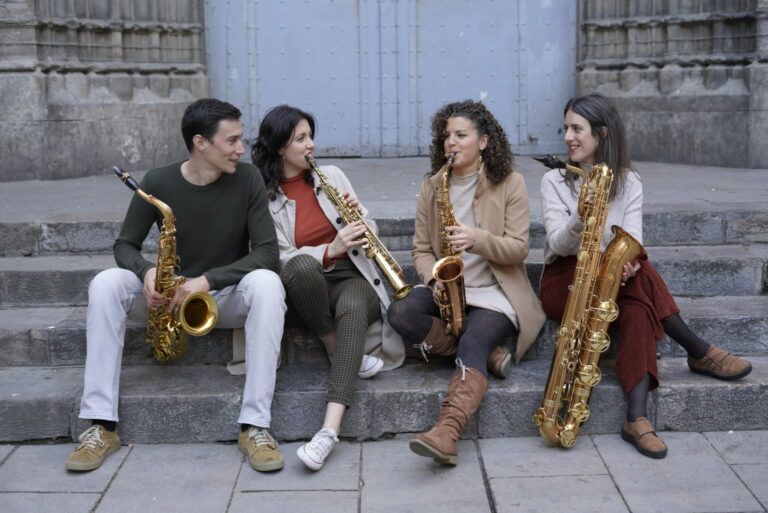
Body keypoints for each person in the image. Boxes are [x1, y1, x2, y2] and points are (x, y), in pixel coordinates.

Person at [66, 98, 287, 473]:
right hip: (167, 298)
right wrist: (145, 271)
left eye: (241, 140)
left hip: (221, 297)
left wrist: (206, 280)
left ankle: (256, 426)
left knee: (267, 284)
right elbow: (124, 245)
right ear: (201, 143)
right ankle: (101, 425)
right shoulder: (157, 182)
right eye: (232, 140)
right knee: (106, 283)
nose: (241, 149)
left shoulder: (248, 178)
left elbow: (267, 254)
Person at [539, 92, 753, 459]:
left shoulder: (629, 180)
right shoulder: (555, 181)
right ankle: (699, 351)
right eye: (566, 128)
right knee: (642, 282)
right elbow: (558, 243)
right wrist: (581, 214)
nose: (568, 137)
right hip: (566, 279)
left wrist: (628, 263)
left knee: (639, 298)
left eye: (577, 129)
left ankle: (635, 418)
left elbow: (632, 239)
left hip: (612, 272)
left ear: (602, 134)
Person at [387, 100, 546, 466]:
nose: (451, 143)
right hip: (450, 290)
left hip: (495, 292)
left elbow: (519, 249)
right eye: (446, 136)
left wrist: (477, 239)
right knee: (400, 312)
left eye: (461, 135)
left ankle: (447, 432)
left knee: (471, 342)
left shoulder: (510, 183)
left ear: (485, 141)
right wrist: (431, 277)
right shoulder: (433, 186)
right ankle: (489, 354)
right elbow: (422, 249)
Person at [251, 105, 405, 471]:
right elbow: (277, 256)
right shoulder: (263, 197)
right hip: (309, 282)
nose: (311, 145)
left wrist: (360, 220)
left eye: (310, 136)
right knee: (303, 265)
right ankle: (332, 343)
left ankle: (328, 431)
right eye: (300, 139)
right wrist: (328, 250)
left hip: (355, 276)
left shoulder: (331, 174)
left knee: (352, 310)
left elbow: (369, 231)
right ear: (279, 148)